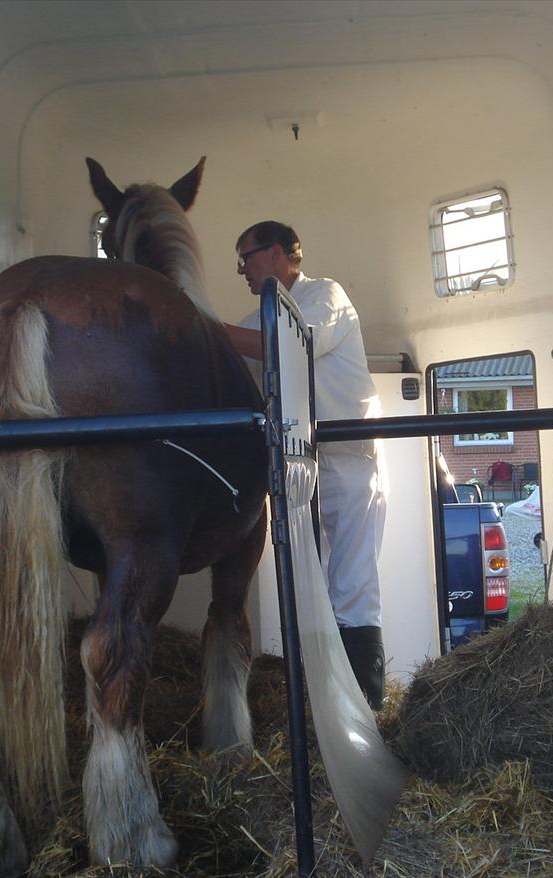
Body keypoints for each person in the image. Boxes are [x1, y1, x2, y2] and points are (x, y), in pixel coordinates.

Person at [223, 221, 388, 710]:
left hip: (353, 458)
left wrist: (211, 329)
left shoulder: (324, 297)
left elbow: (296, 342)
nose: (242, 271)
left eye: (246, 258)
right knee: (313, 583)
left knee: (353, 581)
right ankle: (326, 704)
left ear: (276, 253)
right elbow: (242, 344)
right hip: (303, 467)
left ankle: (368, 705)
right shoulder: (263, 316)